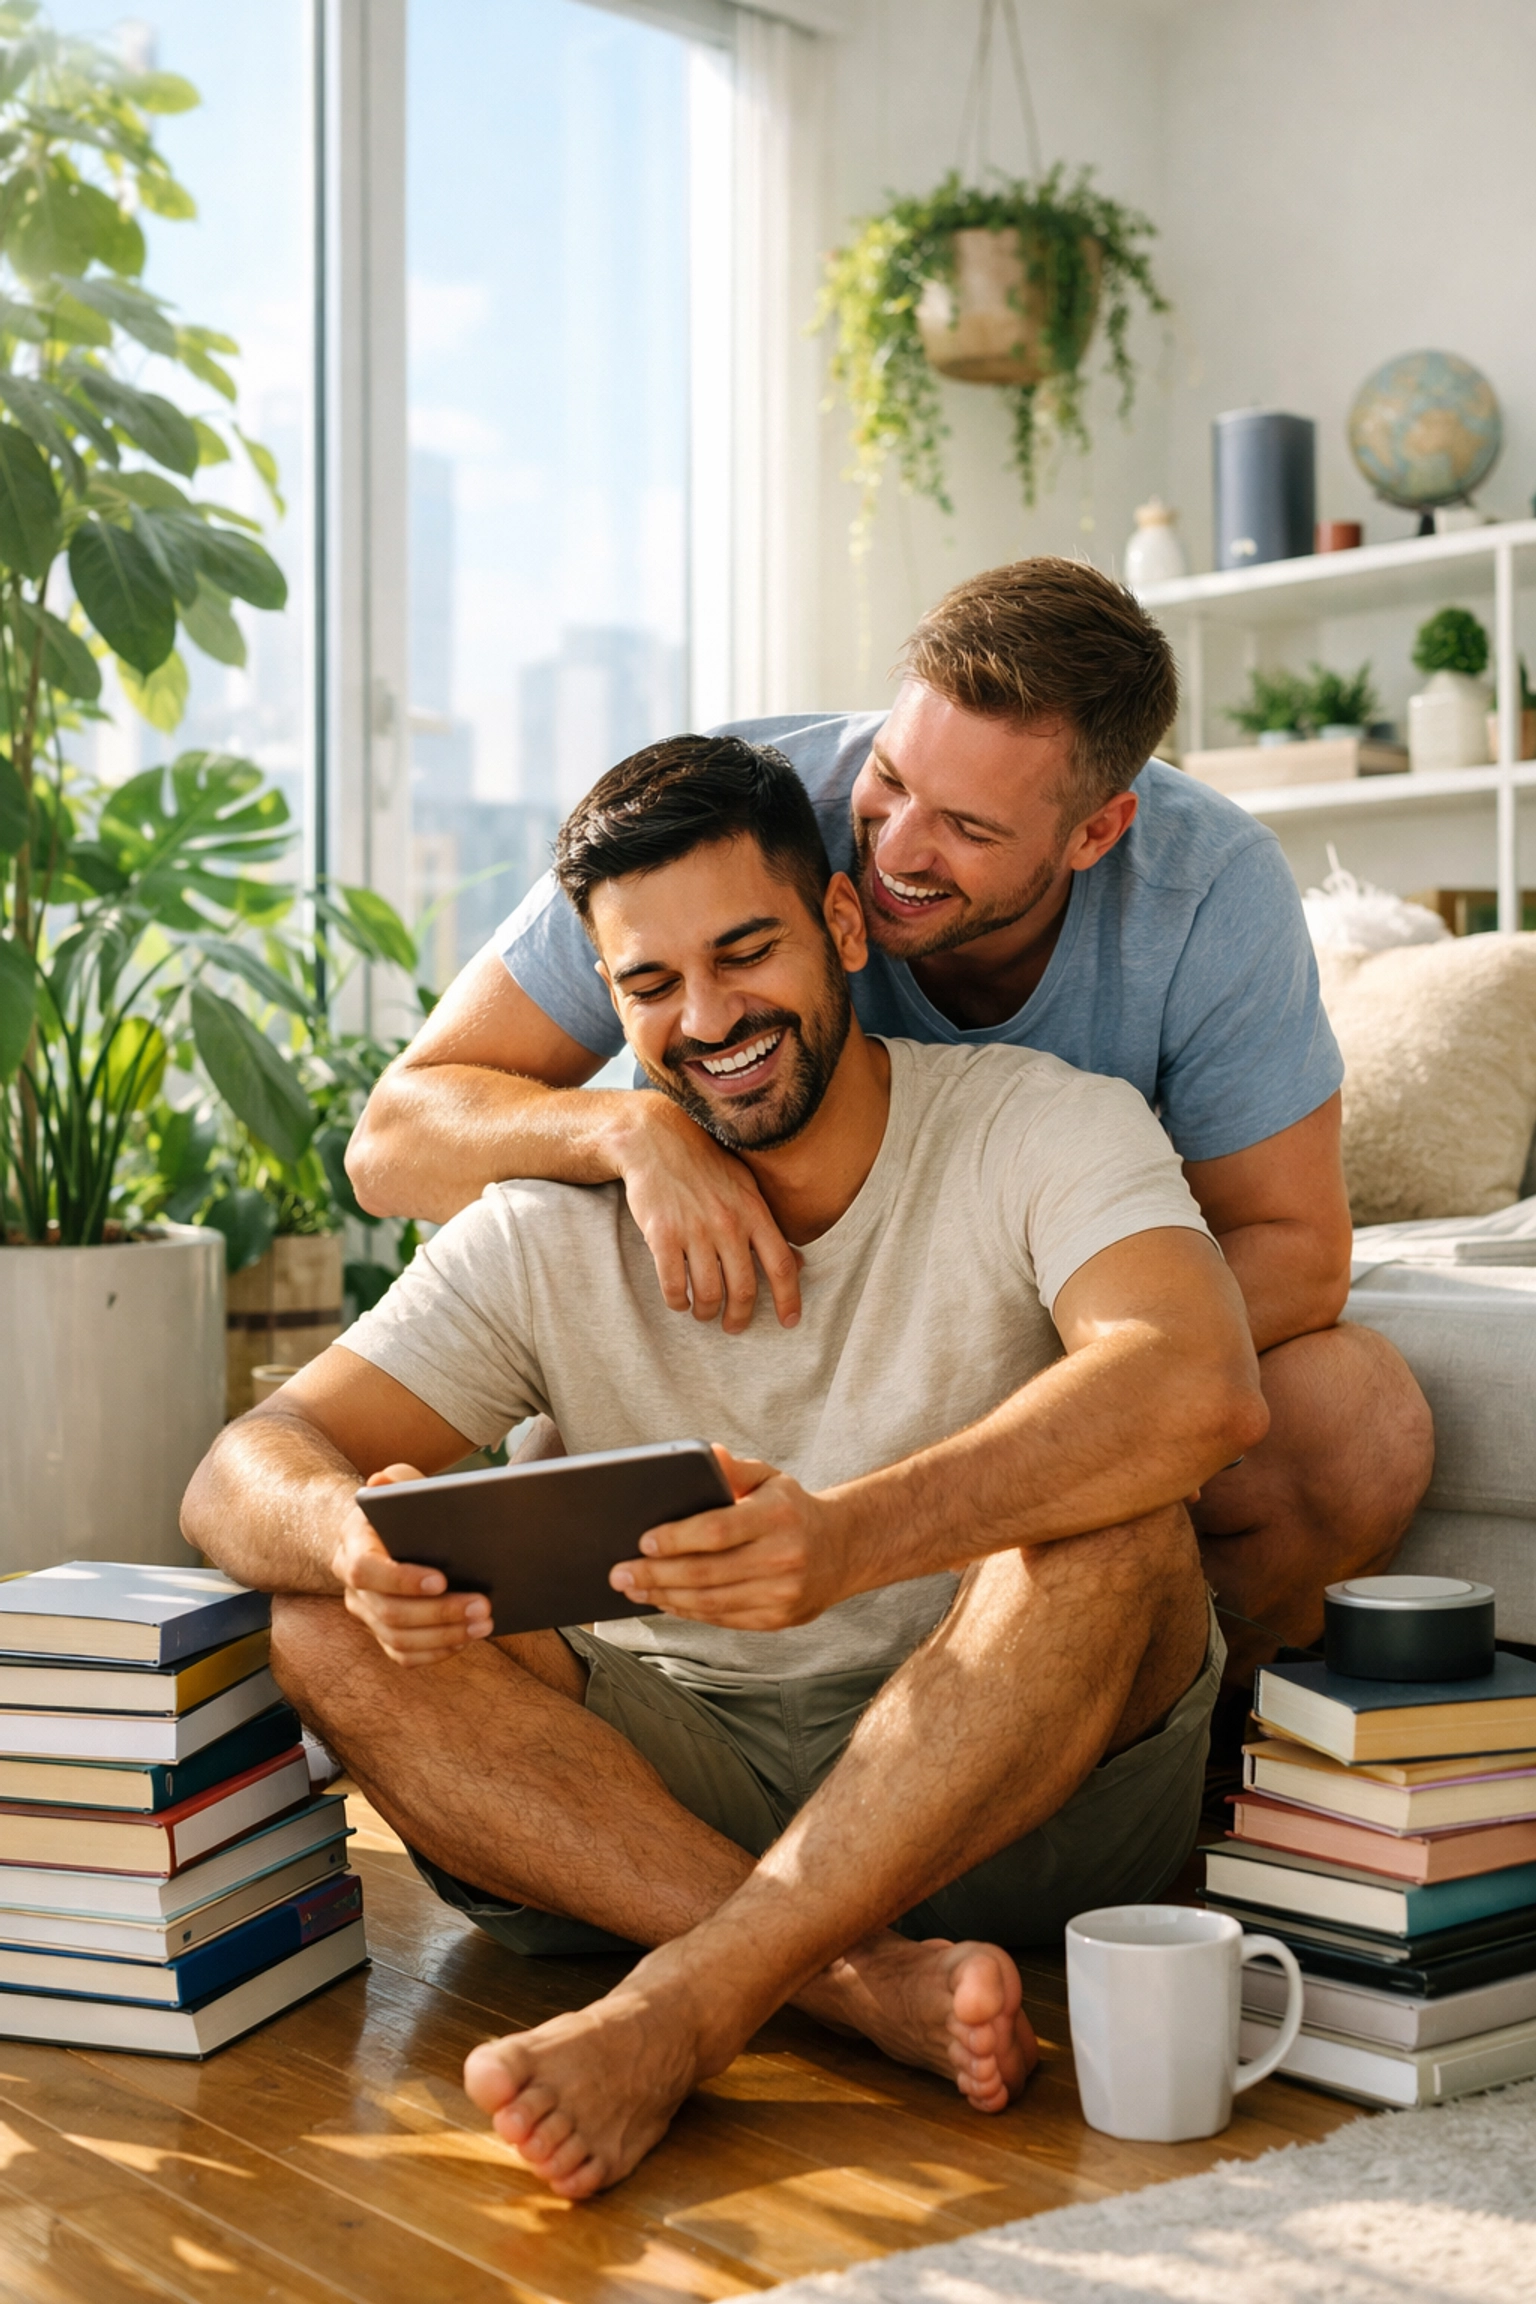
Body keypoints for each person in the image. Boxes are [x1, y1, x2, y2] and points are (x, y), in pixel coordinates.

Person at [183, 734, 1268, 2199]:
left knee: (1122, 1536)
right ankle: (847, 1979)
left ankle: (689, 2004)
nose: (707, 1019)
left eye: (745, 953)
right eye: (649, 987)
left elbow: (1196, 1383)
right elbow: (242, 1469)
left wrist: (850, 1542)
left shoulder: (1040, 1122)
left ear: (836, 924)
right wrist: (346, 1538)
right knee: (321, 1616)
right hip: (654, 1804)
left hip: (1020, 1779)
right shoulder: (549, 1224)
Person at [344, 559, 1433, 1691]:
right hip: (729, 1355)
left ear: (1098, 833)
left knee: (1350, 1425)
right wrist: (628, 1133)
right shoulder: (735, 824)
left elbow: (1298, 1252)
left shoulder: (1210, 891)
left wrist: (961, 1417)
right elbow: (393, 1143)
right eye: (891, 778)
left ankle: (1187, 1758)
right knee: (557, 1488)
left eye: (965, 825)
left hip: (1027, 1326)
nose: (896, 852)